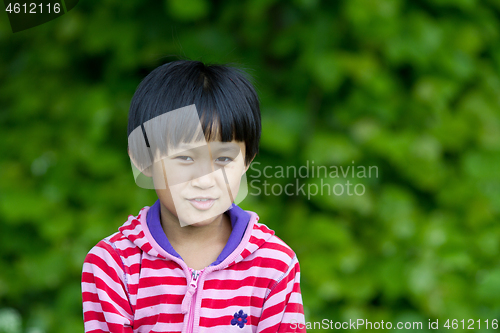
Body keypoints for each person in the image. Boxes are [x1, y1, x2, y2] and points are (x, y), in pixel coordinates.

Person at [81, 60, 306, 333]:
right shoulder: (114, 265)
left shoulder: (274, 266)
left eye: (223, 158)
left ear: (247, 162)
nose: (204, 180)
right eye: (185, 157)